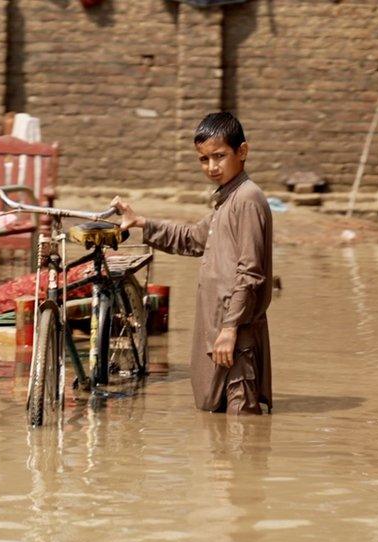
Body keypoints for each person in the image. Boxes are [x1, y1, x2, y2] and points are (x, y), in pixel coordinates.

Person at [112, 112, 273, 415]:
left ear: (243, 151)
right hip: (222, 328)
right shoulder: (227, 200)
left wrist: (230, 327)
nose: (212, 167)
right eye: (204, 159)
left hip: (235, 333)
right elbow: (193, 238)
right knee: (223, 420)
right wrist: (141, 223)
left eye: (220, 156)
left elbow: (251, 272)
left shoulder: (247, 200)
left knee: (242, 422)